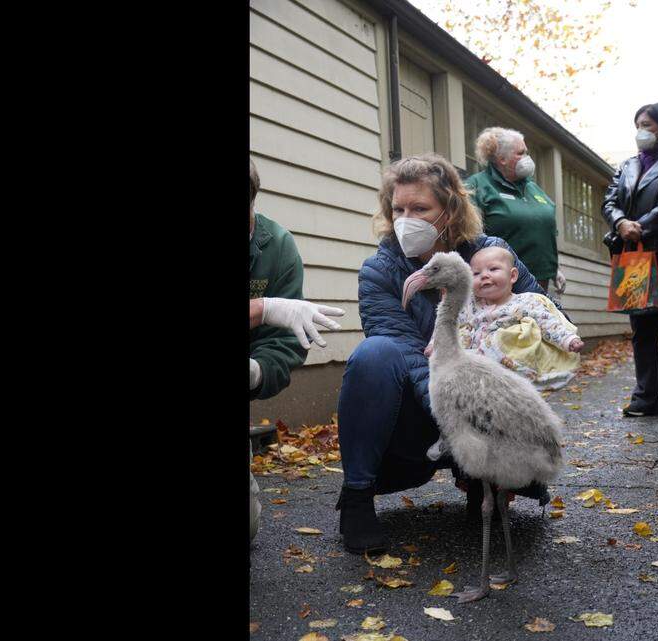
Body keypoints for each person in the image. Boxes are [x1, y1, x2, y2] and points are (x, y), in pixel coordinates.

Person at [335, 153, 552, 554]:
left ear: (449, 210)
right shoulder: (380, 271)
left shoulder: (491, 257)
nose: (406, 219)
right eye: (398, 208)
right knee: (374, 354)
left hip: (488, 402)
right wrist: (454, 420)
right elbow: (407, 352)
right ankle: (356, 496)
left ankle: (486, 481)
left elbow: (544, 316)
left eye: (420, 208)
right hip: (423, 408)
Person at [248, 159, 345, 542]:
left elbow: (283, 345)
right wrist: (262, 308)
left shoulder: (277, 245)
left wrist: (256, 370)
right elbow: (268, 315)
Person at [425, 246, 583, 462]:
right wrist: (434, 344)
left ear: (513, 276)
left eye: (493, 269)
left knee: (504, 415)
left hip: (505, 372)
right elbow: (446, 322)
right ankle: (448, 437)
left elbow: (548, 321)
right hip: (471, 373)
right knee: (455, 405)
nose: (485, 276)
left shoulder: (524, 302)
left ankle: (522, 446)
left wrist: (568, 339)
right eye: (477, 273)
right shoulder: (467, 306)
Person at [600, 103, 658, 417]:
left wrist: (641, 225)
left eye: (646, 124)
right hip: (633, 257)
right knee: (641, 327)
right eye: (637, 124)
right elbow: (609, 200)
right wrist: (620, 223)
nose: (640, 131)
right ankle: (646, 399)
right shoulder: (627, 165)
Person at [465, 127, 567, 298]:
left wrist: (554, 268)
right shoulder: (477, 187)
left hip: (541, 281)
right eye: (521, 153)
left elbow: (545, 230)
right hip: (504, 284)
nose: (527, 158)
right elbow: (470, 237)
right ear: (502, 159)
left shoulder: (532, 188)